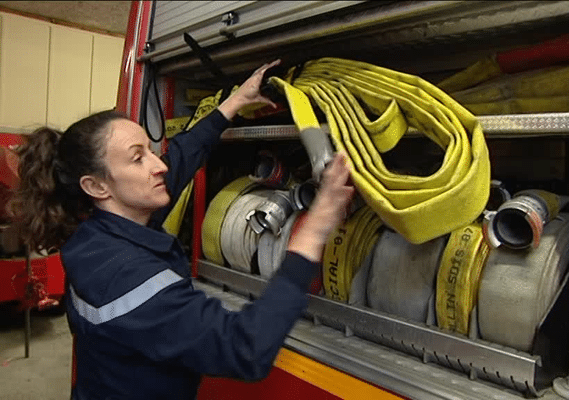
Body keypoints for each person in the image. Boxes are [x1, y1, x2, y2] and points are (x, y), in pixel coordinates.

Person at [11, 60, 354, 400]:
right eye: (137, 158)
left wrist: (234, 102)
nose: (158, 165)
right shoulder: (122, 276)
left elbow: (180, 158)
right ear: (97, 186)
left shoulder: (103, 227)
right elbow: (244, 348)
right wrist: (314, 229)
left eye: (150, 150)